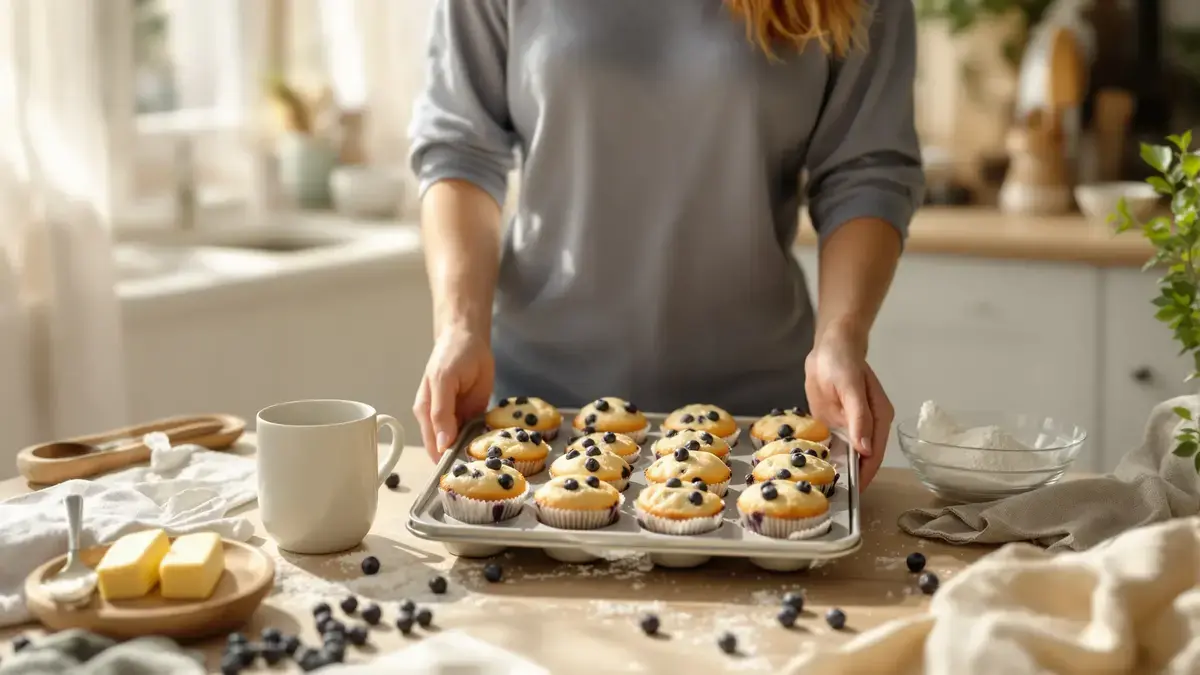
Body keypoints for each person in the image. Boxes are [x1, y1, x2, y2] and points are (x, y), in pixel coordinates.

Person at [408, 0, 923, 490]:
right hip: (537, 414)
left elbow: (866, 169)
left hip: (758, 426)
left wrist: (842, 335)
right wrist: (459, 327)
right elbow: (461, 149)